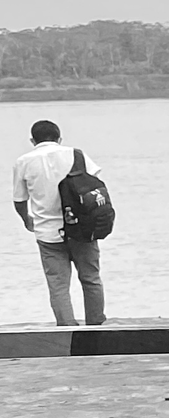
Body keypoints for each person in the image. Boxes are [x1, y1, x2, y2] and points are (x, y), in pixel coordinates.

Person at [13, 118, 104, 326]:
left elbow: (19, 200)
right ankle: (96, 325)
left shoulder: (23, 162)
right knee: (91, 279)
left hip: (48, 234)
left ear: (32, 140)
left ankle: (67, 328)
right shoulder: (76, 155)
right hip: (82, 229)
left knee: (58, 286)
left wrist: (28, 220)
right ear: (59, 138)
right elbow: (95, 186)